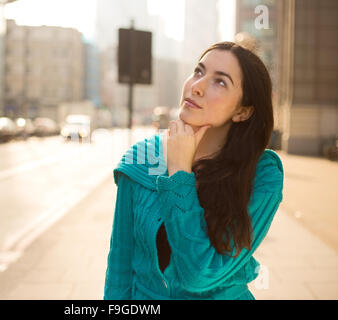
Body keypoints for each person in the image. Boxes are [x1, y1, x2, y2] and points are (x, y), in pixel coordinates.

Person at [104, 42, 284, 300]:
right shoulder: (141, 158)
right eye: (199, 72)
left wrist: (179, 173)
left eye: (220, 82)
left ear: (243, 111)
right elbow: (120, 269)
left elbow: (200, 275)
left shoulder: (263, 175)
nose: (196, 86)